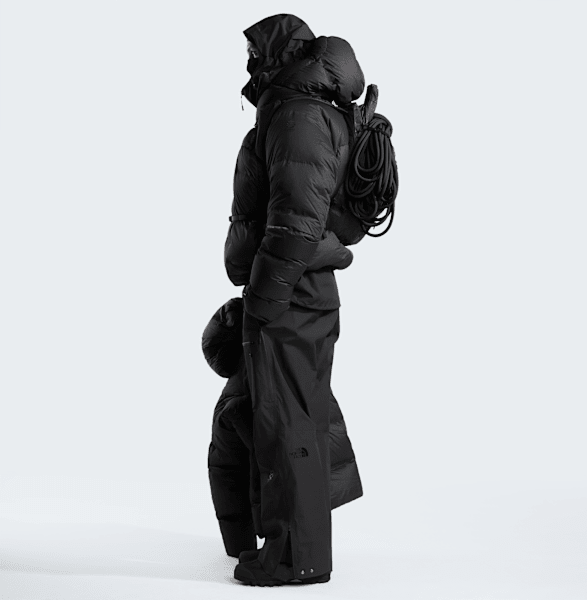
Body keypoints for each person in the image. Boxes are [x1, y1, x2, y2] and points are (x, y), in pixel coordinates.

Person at [223, 13, 366, 586]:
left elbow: (296, 223)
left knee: (290, 425)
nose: (248, 64)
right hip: (298, 289)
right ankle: (279, 539)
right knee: (278, 417)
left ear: (280, 54)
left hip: (291, 292)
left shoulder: (299, 115)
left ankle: (296, 560)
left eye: (255, 53)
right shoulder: (298, 109)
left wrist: (262, 299)